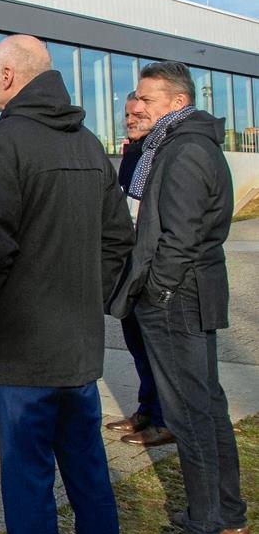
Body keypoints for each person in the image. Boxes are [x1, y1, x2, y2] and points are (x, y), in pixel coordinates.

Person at [0, 34, 133, 534]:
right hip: (77, 350)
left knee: (29, 483)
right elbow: (118, 238)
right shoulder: (87, 142)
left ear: (10, 76)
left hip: (22, 354)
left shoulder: (0, 143)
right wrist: (82, 299)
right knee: (89, 476)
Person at [116, 62, 251, 534]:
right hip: (187, 296)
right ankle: (230, 523)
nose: (136, 104)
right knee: (207, 409)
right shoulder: (175, 144)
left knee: (192, 417)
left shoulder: (186, 148)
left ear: (176, 103)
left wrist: (156, 291)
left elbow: (181, 236)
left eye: (146, 98)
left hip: (178, 301)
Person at [106, 93, 173, 447]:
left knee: (154, 346)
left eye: (137, 113)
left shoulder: (160, 152)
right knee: (135, 342)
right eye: (127, 114)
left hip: (152, 265)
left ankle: (165, 420)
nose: (131, 119)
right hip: (129, 262)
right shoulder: (133, 153)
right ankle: (146, 410)